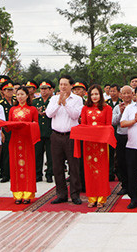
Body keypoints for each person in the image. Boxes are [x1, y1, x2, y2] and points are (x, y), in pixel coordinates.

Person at [46, 75, 83, 205]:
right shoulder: (54, 98)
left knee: (74, 166)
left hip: (71, 136)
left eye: (65, 84)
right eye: (61, 84)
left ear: (71, 86)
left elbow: (75, 115)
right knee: (57, 166)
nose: (62, 87)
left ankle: (75, 194)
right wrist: (58, 103)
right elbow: (49, 114)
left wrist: (65, 104)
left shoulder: (77, 99)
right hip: (56, 136)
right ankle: (61, 194)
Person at [79, 84, 113, 208]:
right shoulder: (85, 109)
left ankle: (102, 198)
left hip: (102, 144)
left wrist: (99, 131)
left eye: (96, 94)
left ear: (101, 95)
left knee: (102, 170)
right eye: (92, 94)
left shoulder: (107, 108)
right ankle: (92, 197)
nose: (94, 96)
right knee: (90, 170)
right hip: (88, 144)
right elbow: (83, 125)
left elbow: (109, 126)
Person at [8, 87, 39, 204]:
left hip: (27, 141)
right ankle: (17, 194)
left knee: (28, 166)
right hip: (15, 140)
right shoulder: (12, 110)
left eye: (22, 94)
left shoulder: (32, 109)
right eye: (18, 94)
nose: (20, 97)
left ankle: (27, 193)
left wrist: (27, 125)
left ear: (27, 96)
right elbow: (9, 124)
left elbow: (36, 125)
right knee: (15, 166)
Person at [112, 86, 133, 195]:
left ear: (132, 94)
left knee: (132, 162)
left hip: (133, 137)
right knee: (121, 162)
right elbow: (113, 122)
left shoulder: (136, 106)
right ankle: (124, 185)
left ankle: (132, 185)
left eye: (128, 93)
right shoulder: (117, 107)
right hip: (121, 136)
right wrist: (120, 112)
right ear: (120, 95)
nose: (126, 96)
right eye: (123, 93)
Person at [33, 80, 54, 183]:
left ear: (50, 90)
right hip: (38, 132)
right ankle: (38, 174)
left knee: (50, 155)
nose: (44, 91)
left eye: (46, 89)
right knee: (38, 154)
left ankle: (49, 174)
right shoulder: (35, 102)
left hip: (50, 131)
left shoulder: (53, 101)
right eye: (42, 89)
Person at [0, 80, 15, 183]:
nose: (10, 92)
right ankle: (5, 174)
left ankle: (13, 172)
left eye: (11, 90)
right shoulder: (0, 104)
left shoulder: (16, 102)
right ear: (3, 92)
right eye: (7, 90)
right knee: (5, 153)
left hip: (15, 130)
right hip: (5, 130)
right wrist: (1, 131)